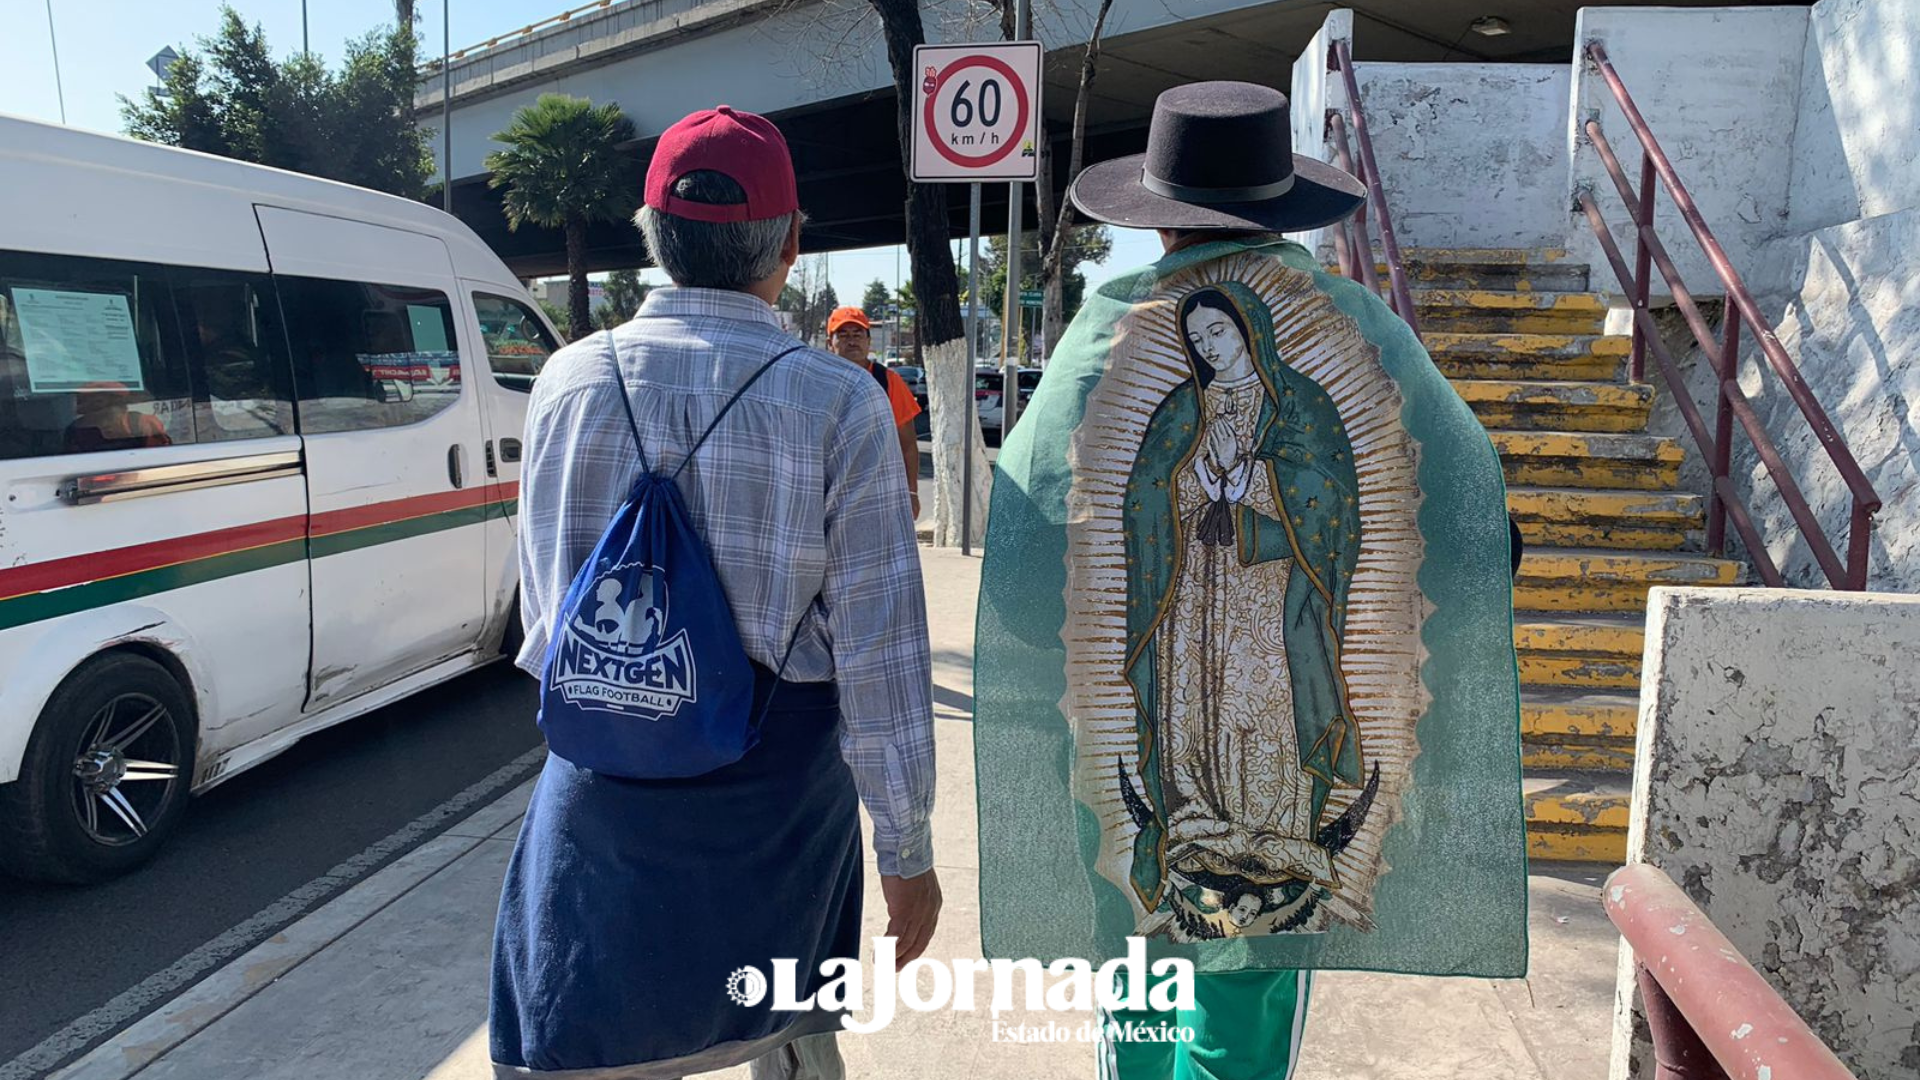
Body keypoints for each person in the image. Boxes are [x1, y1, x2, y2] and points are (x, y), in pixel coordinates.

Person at [972, 81, 1529, 1080]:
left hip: (1245, 636)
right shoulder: (1362, 330)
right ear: (1280, 207)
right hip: (1207, 653)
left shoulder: (1103, 340)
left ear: (1160, 217)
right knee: (1251, 959)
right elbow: (1477, 528)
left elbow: (1020, 545)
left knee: (1142, 945)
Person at [492, 105, 941, 1080]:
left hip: (604, 814)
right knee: (785, 1043)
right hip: (775, 825)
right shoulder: (840, 404)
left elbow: (543, 624)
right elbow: (881, 659)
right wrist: (906, 850)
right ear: (789, 244)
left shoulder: (566, 383)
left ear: (654, 239)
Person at [826, 306, 921, 518]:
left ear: (868, 341)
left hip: (878, 489)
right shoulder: (819, 381)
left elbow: (907, 444)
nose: (852, 341)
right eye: (843, 335)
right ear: (829, 344)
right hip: (828, 488)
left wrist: (911, 491)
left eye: (858, 334)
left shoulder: (889, 382)